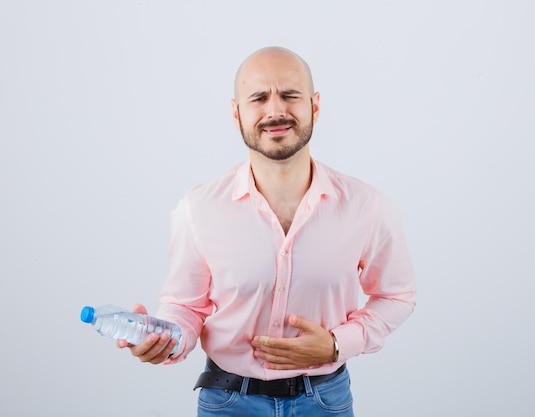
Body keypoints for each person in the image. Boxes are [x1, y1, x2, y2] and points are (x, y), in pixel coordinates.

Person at [118, 46, 417, 417]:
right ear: (236, 113)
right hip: (227, 401)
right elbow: (185, 305)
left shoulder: (366, 206)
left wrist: (338, 345)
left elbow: (397, 296)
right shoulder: (199, 207)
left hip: (324, 401)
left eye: (290, 95)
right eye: (258, 98)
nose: (275, 111)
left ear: (315, 106)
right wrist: (166, 339)